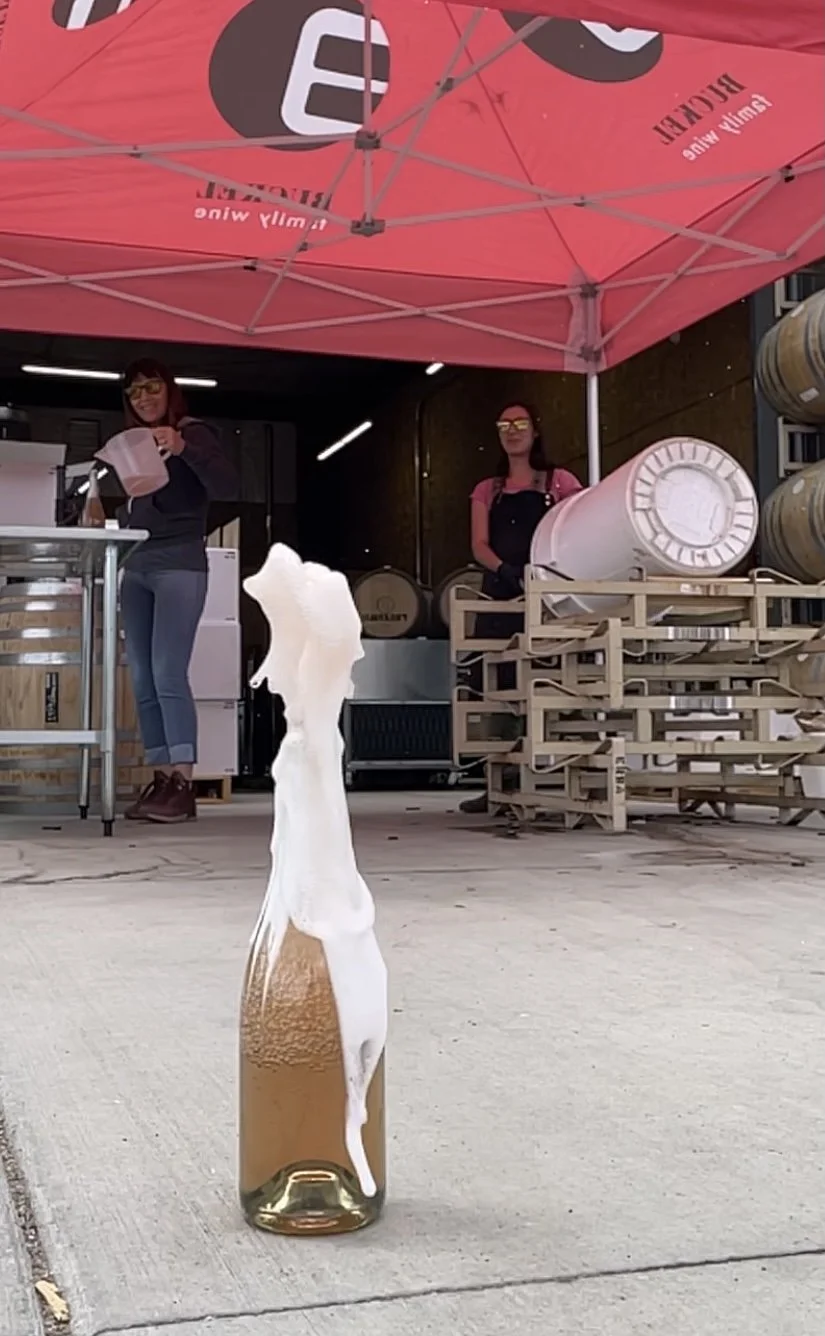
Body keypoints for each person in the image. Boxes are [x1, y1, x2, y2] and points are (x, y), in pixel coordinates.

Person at [117, 359, 237, 824]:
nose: (144, 398)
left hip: (180, 564)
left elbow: (227, 484)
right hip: (137, 564)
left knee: (168, 672)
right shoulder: (133, 444)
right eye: (134, 393)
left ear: (170, 390)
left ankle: (184, 783)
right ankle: (163, 776)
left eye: (151, 388)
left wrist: (183, 446)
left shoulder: (194, 432)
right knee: (143, 678)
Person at [459, 402, 583, 814]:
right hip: (501, 592)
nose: (512, 431)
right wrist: (506, 570)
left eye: (520, 424)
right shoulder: (487, 489)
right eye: (504, 425)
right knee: (494, 683)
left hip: (547, 593)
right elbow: (479, 544)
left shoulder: (560, 481)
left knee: (548, 678)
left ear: (535, 431)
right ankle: (497, 780)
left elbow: (578, 526)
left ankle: (553, 771)